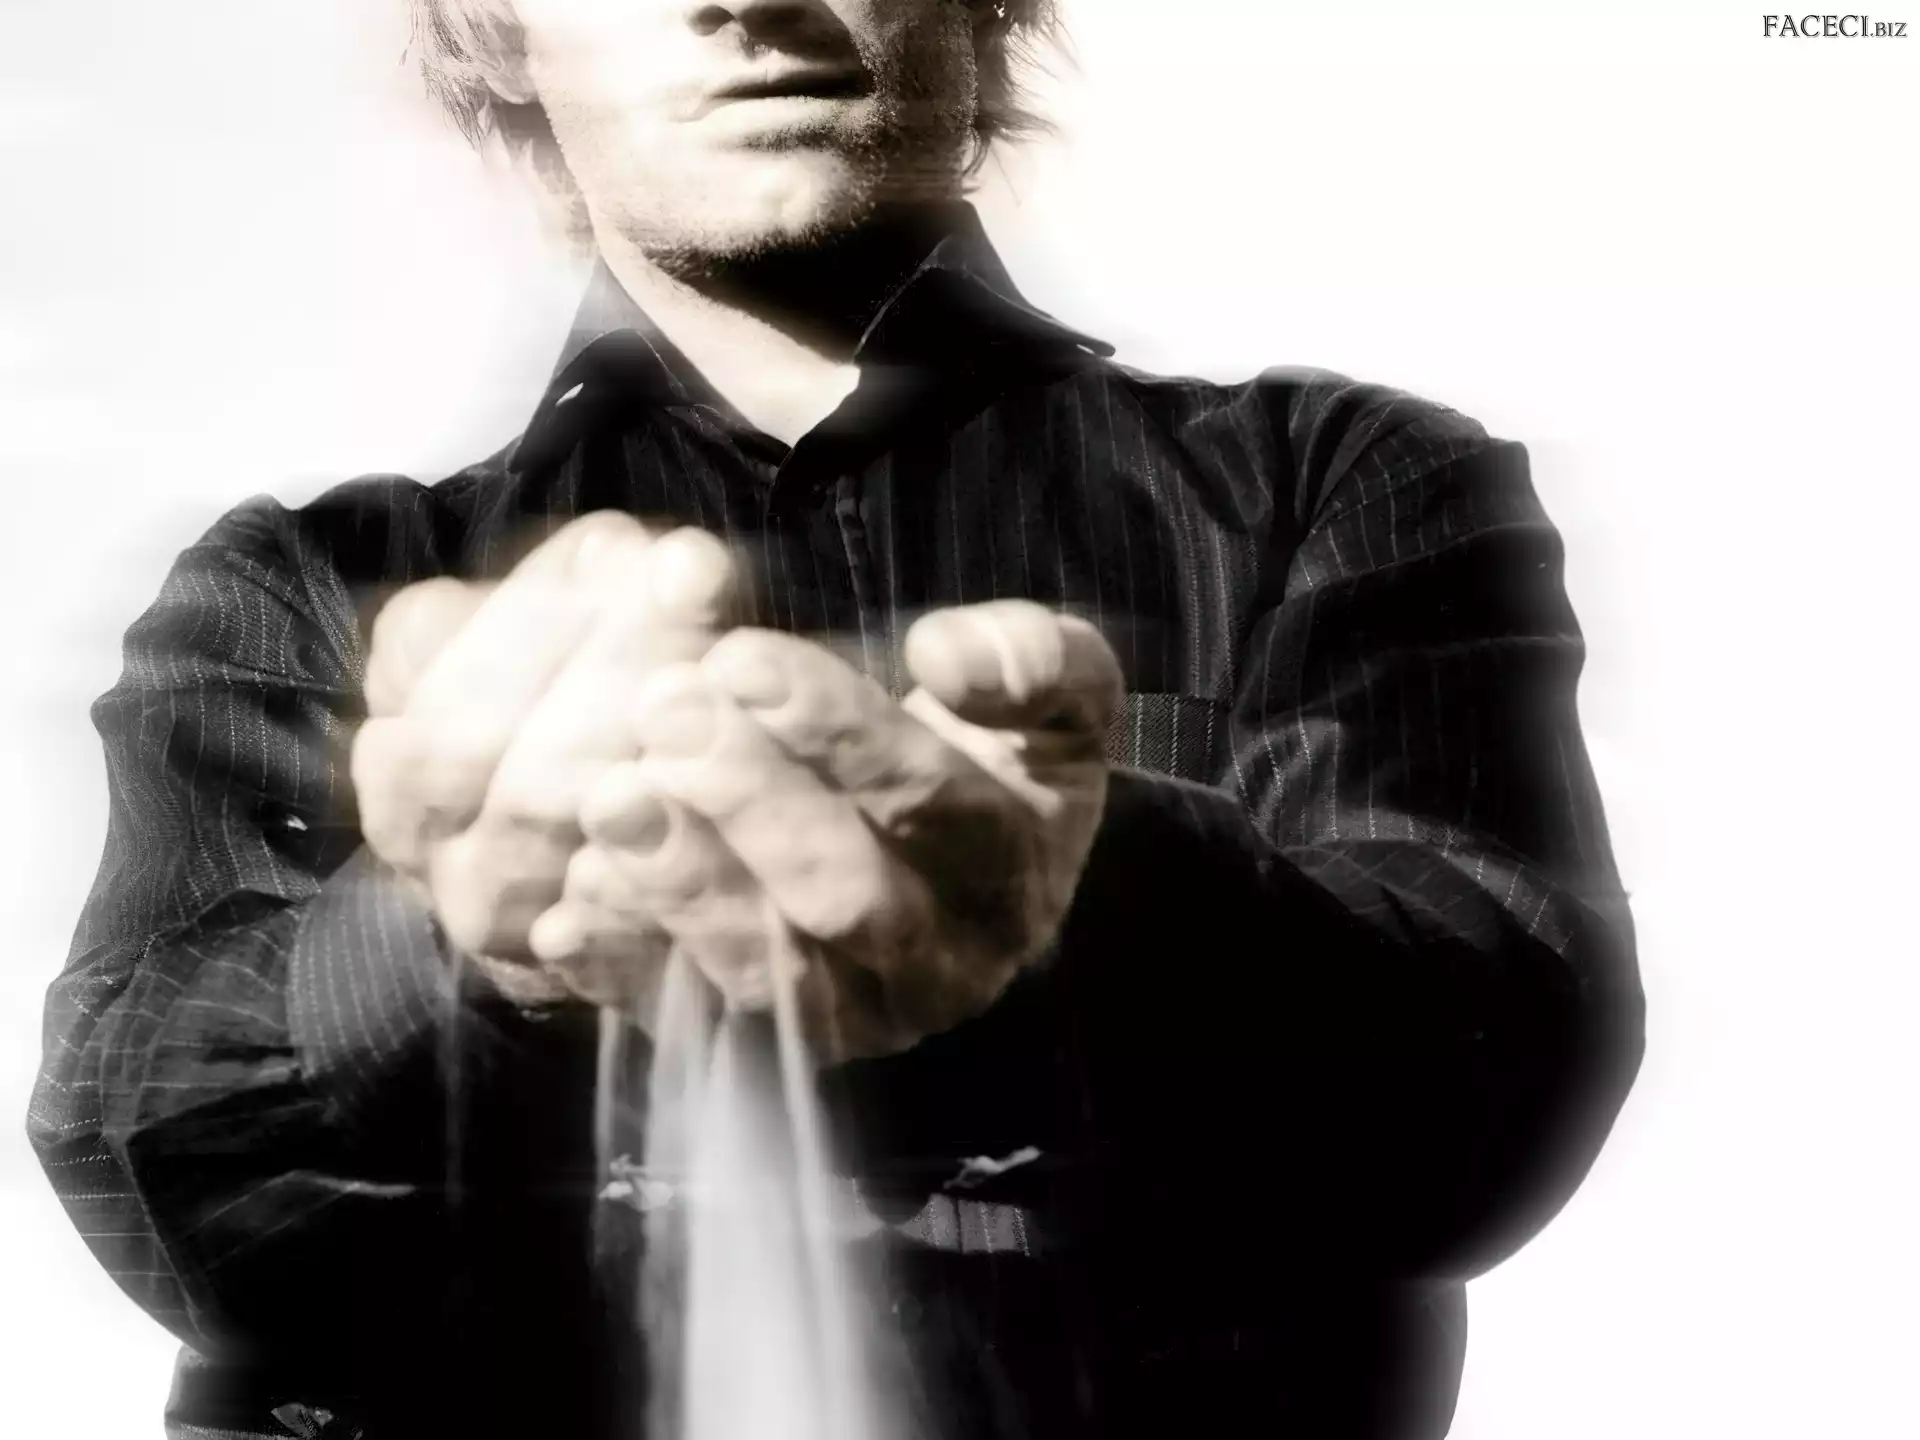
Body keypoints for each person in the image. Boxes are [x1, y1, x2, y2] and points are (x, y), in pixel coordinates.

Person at [26, 1, 1645, 1436]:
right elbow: (139, 1159)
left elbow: (1497, 1065)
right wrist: (471, 953)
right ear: (498, 26)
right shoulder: (300, 586)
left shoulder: (1333, 485)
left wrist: (1079, 914)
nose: (746, 1)